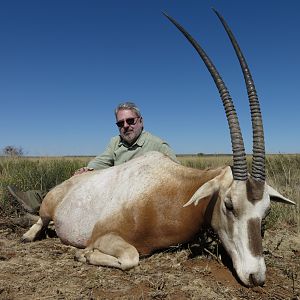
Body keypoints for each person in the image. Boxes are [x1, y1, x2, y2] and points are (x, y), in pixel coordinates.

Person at [8, 101, 178, 214]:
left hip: (138, 202)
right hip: (112, 193)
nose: (126, 126)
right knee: (80, 181)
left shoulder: (158, 145)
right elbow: (101, 161)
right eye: (120, 123)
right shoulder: (115, 142)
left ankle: (45, 211)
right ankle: (38, 199)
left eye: (130, 121)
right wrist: (87, 170)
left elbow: (177, 175)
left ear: (140, 121)